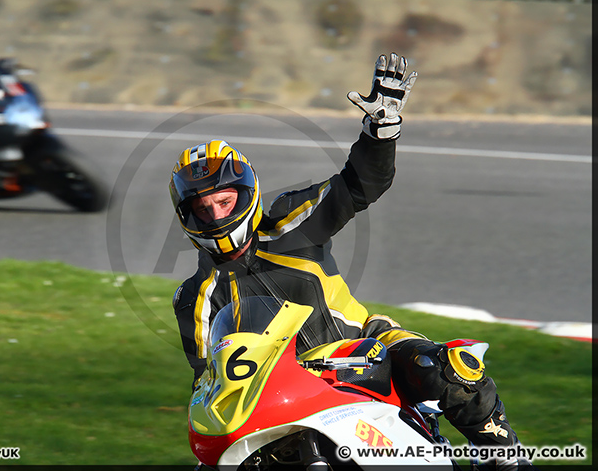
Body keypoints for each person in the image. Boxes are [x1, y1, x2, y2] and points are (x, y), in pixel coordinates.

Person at [169, 53, 533, 469]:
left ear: (246, 192)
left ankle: (506, 459)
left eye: (224, 200)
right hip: (280, 393)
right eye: (203, 208)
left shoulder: (292, 223)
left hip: (366, 351)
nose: (216, 214)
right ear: (186, 216)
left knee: (450, 369)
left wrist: (380, 132)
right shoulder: (193, 297)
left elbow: (362, 183)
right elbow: (209, 381)